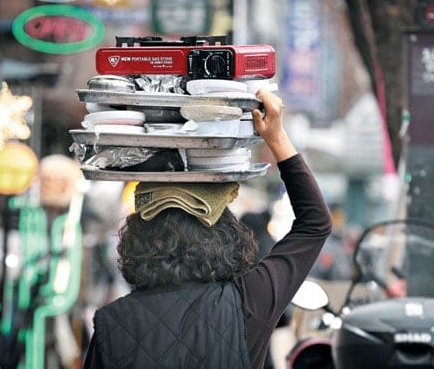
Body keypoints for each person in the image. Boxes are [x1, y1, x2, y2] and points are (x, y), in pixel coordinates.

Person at [83, 89, 332, 369]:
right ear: (225, 236)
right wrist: (275, 136)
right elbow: (315, 224)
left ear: (137, 240)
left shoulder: (111, 322)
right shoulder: (248, 302)